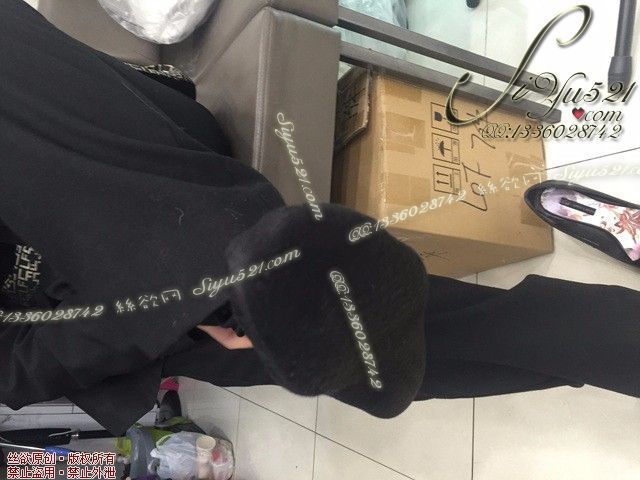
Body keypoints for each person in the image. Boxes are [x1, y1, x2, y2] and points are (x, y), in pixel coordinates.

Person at [1, 0, 639, 435]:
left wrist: (190, 279)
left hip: (164, 210)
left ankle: (605, 348)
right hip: (120, 324)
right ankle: (596, 353)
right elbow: (18, 366)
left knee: (418, 338)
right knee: (415, 357)